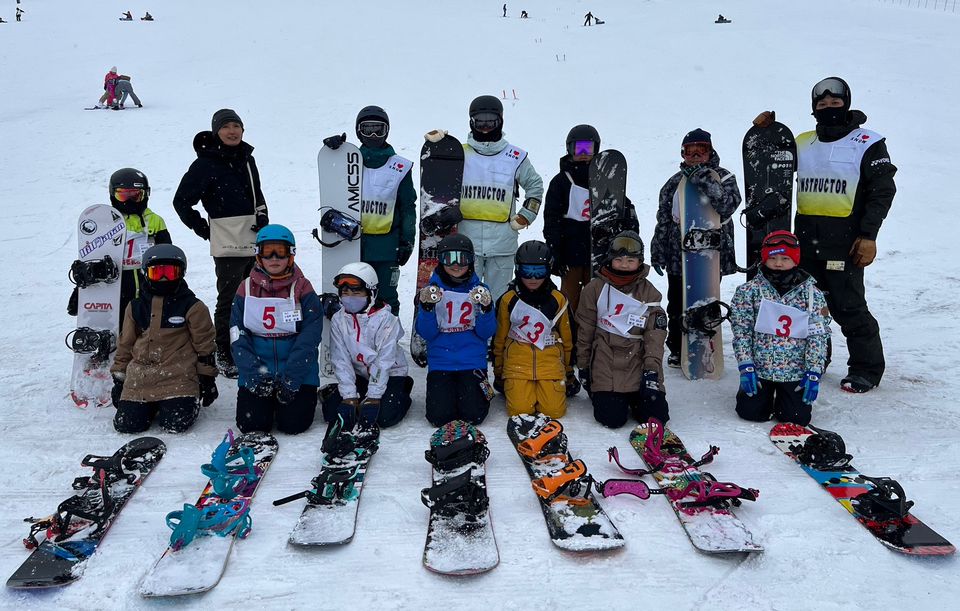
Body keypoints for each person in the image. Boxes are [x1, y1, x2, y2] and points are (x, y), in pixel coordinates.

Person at [757, 77, 896, 394]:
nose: (829, 108)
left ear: (846, 104)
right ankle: (814, 361)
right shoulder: (803, 142)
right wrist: (765, 131)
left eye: (835, 103)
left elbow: (882, 191)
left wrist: (869, 235)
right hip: (805, 242)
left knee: (848, 307)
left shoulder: (867, 142)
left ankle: (865, 369)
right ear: (814, 109)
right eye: (822, 104)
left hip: (845, 243)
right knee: (806, 308)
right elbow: (771, 163)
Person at [173, 108, 269, 378]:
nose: (232, 131)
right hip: (226, 241)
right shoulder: (205, 163)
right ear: (217, 131)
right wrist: (203, 229)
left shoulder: (248, 159)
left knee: (255, 294)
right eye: (226, 126)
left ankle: (249, 345)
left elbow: (257, 194)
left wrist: (263, 218)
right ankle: (225, 352)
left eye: (236, 126)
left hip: (253, 238)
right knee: (230, 298)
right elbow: (181, 201)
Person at [651, 128, 742, 368]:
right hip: (677, 254)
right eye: (689, 151)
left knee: (706, 300)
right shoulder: (673, 183)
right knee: (676, 303)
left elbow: (727, 205)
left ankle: (705, 343)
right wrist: (658, 251)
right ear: (682, 153)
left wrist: (703, 179)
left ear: (710, 151)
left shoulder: (724, 177)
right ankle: (677, 347)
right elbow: (663, 219)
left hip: (710, 256)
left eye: (700, 150)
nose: (694, 155)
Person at [110, 244, 218, 434]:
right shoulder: (135, 307)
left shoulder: (193, 306)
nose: (163, 279)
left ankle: (171, 404)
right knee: (127, 425)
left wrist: (207, 378)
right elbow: (125, 344)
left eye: (170, 273)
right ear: (146, 274)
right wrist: (119, 379)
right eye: (157, 273)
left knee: (176, 424)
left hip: (178, 378)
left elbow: (205, 346)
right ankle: (149, 405)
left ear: (181, 274)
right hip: (141, 378)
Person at [323, 106, 416, 315]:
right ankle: (352, 332)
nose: (373, 135)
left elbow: (408, 207)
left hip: (386, 245)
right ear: (358, 132)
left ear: (387, 131)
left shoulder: (399, 167)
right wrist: (334, 152)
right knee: (353, 293)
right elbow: (331, 183)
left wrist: (407, 241)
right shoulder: (349, 162)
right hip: (353, 242)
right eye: (367, 129)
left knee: (386, 297)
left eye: (378, 130)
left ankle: (388, 333)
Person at [731, 231, 830, 426]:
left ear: (795, 260)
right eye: (773, 258)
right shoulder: (749, 291)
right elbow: (742, 331)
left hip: (794, 370)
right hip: (760, 368)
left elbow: (818, 336)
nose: (778, 263)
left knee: (795, 418)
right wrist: (745, 364)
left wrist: (814, 370)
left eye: (785, 258)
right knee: (750, 412)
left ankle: (788, 399)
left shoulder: (812, 294)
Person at [231, 225, 322, 435]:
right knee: (251, 425)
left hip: (296, 371)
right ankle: (264, 399)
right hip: (258, 370)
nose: (274, 258)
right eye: (267, 251)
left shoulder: (302, 288)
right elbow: (237, 335)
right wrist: (253, 374)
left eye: (280, 251)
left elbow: (310, 336)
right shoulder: (246, 288)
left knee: (294, 425)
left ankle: (292, 399)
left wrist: (292, 377)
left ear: (290, 254)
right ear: (258, 254)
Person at [543, 124, 639, 319]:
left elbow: (622, 208)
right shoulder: (561, 182)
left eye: (588, 148)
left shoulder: (608, 180)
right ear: (570, 149)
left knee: (597, 300)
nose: (584, 154)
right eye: (579, 149)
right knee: (570, 300)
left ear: (596, 149)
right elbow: (551, 220)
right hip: (570, 254)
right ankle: (569, 334)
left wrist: (628, 237)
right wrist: (555, 251)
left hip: (600, 253)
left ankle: (597, 335)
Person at [576, 232, 669, 428]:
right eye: (618, 259)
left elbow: (655, 337)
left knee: (655, 417)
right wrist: (583, 366)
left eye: (630, 260)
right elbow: (585, 330)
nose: (624, 265)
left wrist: (651, 370)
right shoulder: (594, 289)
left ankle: (636, 397)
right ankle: (614, 397)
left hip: (638, 361)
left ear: (639, 262)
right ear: (610, 260)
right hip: (605, 361)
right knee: (612, 419)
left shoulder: (649, 292)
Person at [459, 94, 543, 302]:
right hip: (467, 241)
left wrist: (526, 215)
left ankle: (497, 325)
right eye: (480, 121)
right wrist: (440, 146)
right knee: (466, 299)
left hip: (502, 243)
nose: (485, 127)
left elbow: (535, 186)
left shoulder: (515, 157)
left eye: (491, 121)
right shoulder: (459, 153)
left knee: (498, 300)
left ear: (500, 121)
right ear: (471, 122)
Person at [69, 168, 172, 325]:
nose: (129, 201)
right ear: (113, 195)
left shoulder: (154, 221)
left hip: (146, 282)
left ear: (145, 194)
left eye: (135, 196)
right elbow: (94, 253)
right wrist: (82, 288)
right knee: (120, 322)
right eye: (123, 196)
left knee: (143, 322)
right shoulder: (105, 222)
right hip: (116, 285)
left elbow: (167, 253)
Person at [321, 262, 414, 434]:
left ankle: (402, 388)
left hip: (390, 372)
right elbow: (340, 358)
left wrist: (374, 397)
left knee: (384, 416)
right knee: (333, 414)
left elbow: (384, 361)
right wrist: (349, 396)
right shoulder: (339, 319)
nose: (350, 297)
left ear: (371, 293)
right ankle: (344, 392)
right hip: (360, 373)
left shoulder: (387, 320)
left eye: (357, 292)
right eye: (345, 293)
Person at [415, 234, 497, 426]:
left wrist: (486, 310)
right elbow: (427, 333)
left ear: (471, 261)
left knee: (474, 415)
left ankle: (474, 392)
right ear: (441, 260)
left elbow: (486, 333)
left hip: (471, 361)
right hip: (442, 361)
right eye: (449, 258)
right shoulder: (432, 291)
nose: (456, 265)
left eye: (463, 258)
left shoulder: (479, 290)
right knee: (439, 417)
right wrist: (426, 309)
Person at [492, 241, 576, 419]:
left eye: (539, 272)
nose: (533, 278)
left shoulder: (558, 299)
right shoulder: (509, 299)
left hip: (550, 364)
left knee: (554, 411)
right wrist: (499, 371)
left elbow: (568, 338)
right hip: (517, 364)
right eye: (526, 271)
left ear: (548, 270)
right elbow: (499, 339)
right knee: (519, 411)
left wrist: (568, 371)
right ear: (518, 270)